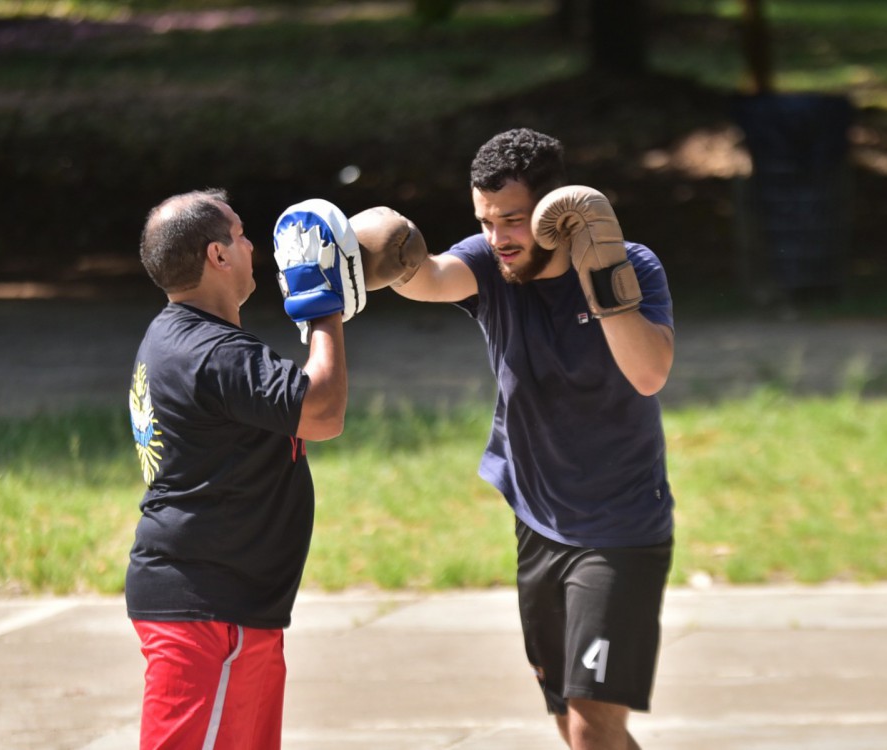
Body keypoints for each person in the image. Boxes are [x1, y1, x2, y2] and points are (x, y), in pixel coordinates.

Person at [351, 128, 675, 750]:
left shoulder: (631, 264)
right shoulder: (489, 265)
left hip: (620, 528)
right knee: (568, 723)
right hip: (538, 519)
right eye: (486, 219)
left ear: (558, 209)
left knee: (591, 726)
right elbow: (434, 278)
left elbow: (648, 372)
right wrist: (389, 252)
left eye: (514, 220)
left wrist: (600, 274)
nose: (499, 236)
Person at [125, 189, 362, 750]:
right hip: (208, 616)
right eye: (240, 233)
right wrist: (323, 306)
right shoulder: (212, 352)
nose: (253, 244)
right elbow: (322, 412)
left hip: (229, 609)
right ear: (218, 256)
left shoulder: (177, 338)